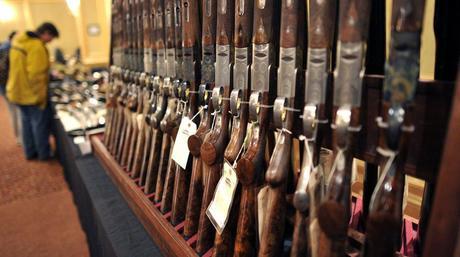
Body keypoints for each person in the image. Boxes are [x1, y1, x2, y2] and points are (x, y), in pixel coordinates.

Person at [6, 22, 59, 160]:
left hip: (16, 91)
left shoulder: (19, 42)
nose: (50, 41)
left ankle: (30, 152)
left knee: (27, 123)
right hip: (30, 94)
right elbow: (37, 76)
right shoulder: (36, 47)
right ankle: (44, 154)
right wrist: (40, 98)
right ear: (46, 33)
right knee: (39, 124)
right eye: (51, 37)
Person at [0, 31, 22, 145]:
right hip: (10, 86)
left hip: (4, 86)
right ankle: (20, 138)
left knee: (12, 111)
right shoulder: (9, 49)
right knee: (16, 112)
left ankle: (18, 137)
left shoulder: (3, 47)